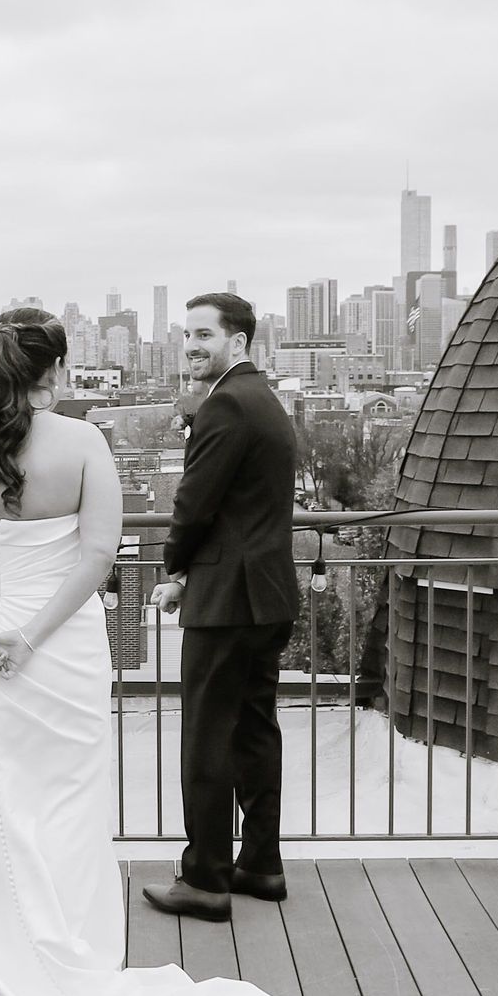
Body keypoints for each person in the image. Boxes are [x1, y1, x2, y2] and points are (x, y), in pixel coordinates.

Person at [0, 307, 317, 996]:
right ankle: (69, 958)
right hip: (54, 653)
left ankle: (8, 959)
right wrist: (27, 639)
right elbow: (98, 558)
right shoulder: (83, 443)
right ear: (54, 373)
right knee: (66, 807)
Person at [146, 293, 299, 922]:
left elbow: (194, 504)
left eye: (204, 335)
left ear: (238, 342)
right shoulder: (262, 399)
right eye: (186, 335)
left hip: (227, 600)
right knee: (254, 731)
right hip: (265, 592)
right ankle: (260, 864)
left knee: (206, 738)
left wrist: (175, 567)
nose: (191, 346)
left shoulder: (226, 405)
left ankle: (205, 877)